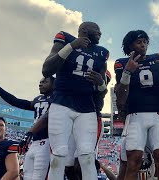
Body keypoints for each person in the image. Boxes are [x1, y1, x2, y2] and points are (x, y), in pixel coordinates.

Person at [42, 21, 109, 180]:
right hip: (62, 103)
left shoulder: (101, 53)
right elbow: (46, 69)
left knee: (87, 156)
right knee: (59, 155)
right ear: (84, 30)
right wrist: (71, 46)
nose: (100, 33)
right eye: (97, 30)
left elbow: (102, 92)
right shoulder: (65, 39)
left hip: (87, 108)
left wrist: (100, 83)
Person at [114, 30, 159, 180]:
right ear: (129, 45)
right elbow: (120, 96)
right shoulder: (122, 63)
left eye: (145, 41)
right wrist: (127, 73)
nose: (143, 45)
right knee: (133, 161)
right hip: (135, 115)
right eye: (139, 42)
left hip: (158, 115)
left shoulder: (157, 59)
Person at [0, 76, 54, 180]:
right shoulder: (37, 99)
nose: (40, 84)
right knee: (27, 175)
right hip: (35, 142)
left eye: (45, 81)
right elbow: (15, 101)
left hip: (49, 139)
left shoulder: (59, 98)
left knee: (39, 176)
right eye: (40, 82)